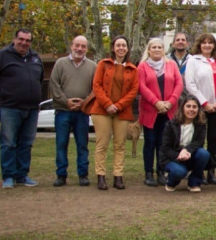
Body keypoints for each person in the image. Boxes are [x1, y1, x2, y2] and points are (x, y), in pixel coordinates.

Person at [0, 29, 44, 189]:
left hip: (31, 110)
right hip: (10, 109)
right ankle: (8, 176)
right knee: (8, 143)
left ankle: (22, 175)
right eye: (21, 39)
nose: (24, 43)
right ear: (14, 39)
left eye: (27, 40)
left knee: (26, 144)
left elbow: (40, 79)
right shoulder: (1, 56)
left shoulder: (35, 58)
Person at [89, 36, 139, 190]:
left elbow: (133, 91)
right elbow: (96, 86)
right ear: (113, 48)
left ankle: (118, 176)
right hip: (101, 110)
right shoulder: (103, 65)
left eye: (124, 45)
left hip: (122, 111)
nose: (121, 48)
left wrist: (118, 106)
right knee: (102, 144)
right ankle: (101, 176)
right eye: (118, 45)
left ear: (127, 48)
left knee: (120, 144)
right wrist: (108, 104)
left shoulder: (133, 69)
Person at [49, 35, 97, 187]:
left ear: (87, 49)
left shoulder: (92, 66)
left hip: (82, 113)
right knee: (61, 143)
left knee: (82, 144)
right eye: (77, 45)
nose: (80, 49)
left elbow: (96, 88)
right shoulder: (60, 63)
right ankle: (61, 175)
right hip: (63, 111)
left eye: (83, 46)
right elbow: (54, 85)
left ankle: (83, 174)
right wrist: (66, 102)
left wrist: (85, 103)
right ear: (71, 46)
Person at [184, 33, 216, 185]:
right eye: (204, 43)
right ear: (199, 45)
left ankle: (211, 170)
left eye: (210, 43)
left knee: (212, 139)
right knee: (198, 138)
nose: (207, 45)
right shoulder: (193, 60)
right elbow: (190, 84)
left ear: (214, 45)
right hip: (200, 107)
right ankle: (198, 171)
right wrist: (204, 103)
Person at [138, 37, 183, 187]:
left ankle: (161, 172)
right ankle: (149, 173)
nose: (157, 50)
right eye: (154, 47)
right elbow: (142, 87)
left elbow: (179, 84)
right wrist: (156, 103)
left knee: (163, 143)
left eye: (159, 47)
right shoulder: (142, 66)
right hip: (150, 110)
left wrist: (170, 102)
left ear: (163, 50)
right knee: (150, 142)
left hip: (169, 111)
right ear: (149, 50)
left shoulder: (171, 65)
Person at [160, 95, 210, 193]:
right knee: (179, 172)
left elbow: (199, 142)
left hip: (189, 154)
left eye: (194, 107)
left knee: (204, 154)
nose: (191, 109)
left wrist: (186, 150)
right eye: (188, 106)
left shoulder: (201, 124)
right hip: (172, 157)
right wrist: (179, 155)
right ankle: (171, 182)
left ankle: (194, 182)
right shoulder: (171, 125)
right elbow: (166, 148)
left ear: (198, 109)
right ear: (182, 108)